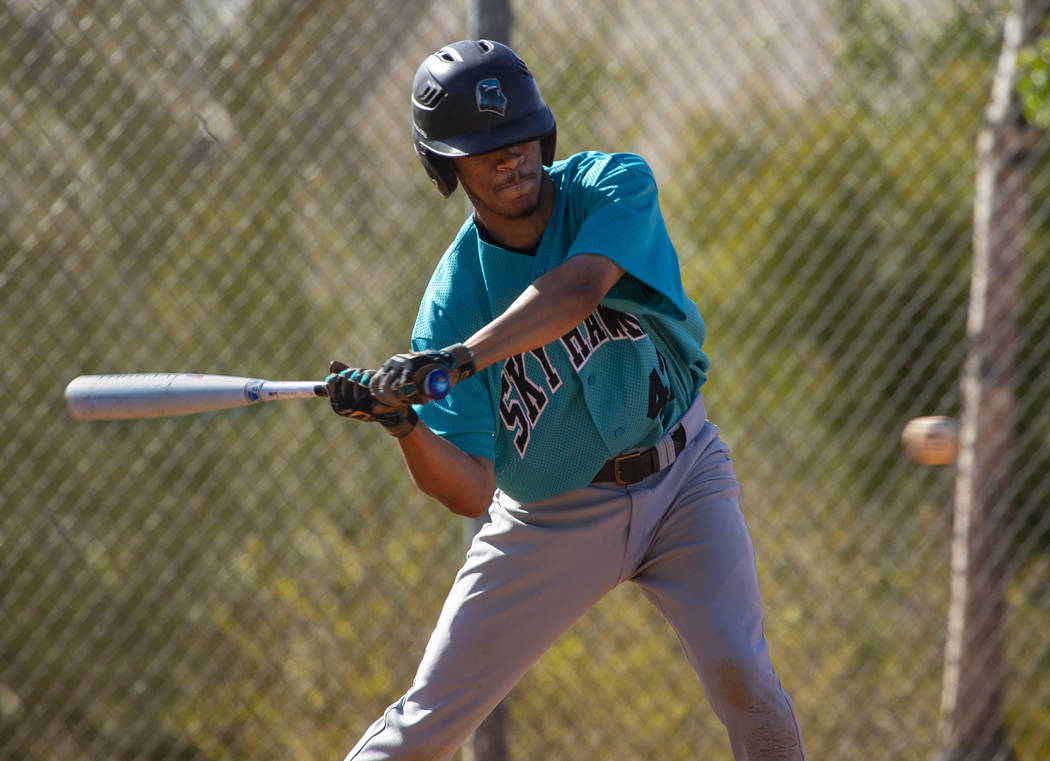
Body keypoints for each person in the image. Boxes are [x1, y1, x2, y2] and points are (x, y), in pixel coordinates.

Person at [325, 39, 806, 761]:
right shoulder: (453, 298)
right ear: (445, 165)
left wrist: (457, 363)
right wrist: (405, 428)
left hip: (684, 475)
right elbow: (470, 489)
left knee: (746, 678)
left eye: (518, 137)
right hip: (552, 517)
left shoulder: (613, 185)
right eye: (483, 148)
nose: (509, 157)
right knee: (425, 725)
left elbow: (579, 291)